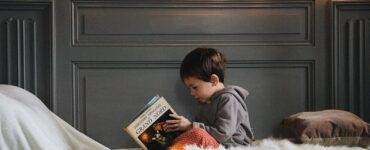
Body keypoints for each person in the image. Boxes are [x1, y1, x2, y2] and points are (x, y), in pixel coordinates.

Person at [164, 47, 254, 149]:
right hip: (215, 144)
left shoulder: (228, 99)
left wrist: (190, 126)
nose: (191, 93)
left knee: (197, 133)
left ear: (213, 80)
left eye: (194, 87)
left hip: (232, 146)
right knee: (187, 135)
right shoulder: (205, 102)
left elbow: (222, 134)